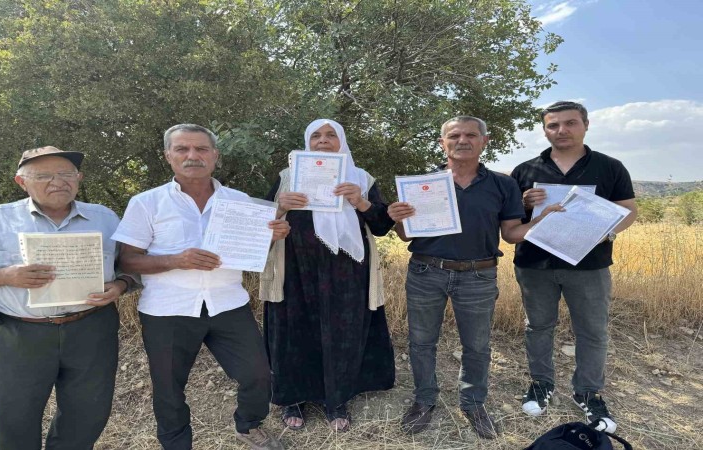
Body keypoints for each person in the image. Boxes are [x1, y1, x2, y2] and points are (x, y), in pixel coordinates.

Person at [112, 124, 289, 450]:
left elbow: (252, 253)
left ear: (215, 156)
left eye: (201, 149)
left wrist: (272, 237)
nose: (192, 155)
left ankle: (248, 425)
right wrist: (176, 260)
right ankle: (176, 443)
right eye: (182, 149)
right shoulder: (146, 203)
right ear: (168, 156)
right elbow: (127, 260)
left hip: (228, 304)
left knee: (258, 375)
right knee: (168, 387)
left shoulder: (240, 202)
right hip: (168, 309)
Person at [0, 146, 132, 450]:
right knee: (13, 419)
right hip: (19, 333)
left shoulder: (105, 218)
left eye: (66, 173)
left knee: (88, 413)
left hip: (91, 329)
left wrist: (121, 285)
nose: (57, 182)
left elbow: (130, 264)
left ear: (79, 178)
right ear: (22, 182)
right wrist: (2, 275)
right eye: (43, 176)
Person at [388, 116, 562, 439]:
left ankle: (473, 404)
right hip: (426, 271)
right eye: (454, 135)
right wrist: (398, 219)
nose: (462, 140)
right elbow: (405, 235)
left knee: (477, 346)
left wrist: (541, 221)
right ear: (442, 143)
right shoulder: (422, 185)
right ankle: (424, 400)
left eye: (471, 135)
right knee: (421, 342)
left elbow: (511, 234)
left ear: (485, 141)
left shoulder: (503, 185)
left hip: (478, 275)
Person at [260, 119, 396, 432]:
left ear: (341, 141)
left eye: (331, 135)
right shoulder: (287, 176)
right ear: (307, 142)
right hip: (295, 271)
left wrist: (360, 202)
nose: (323, 141)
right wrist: (279, 207)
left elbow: (381, 226)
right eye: (316, 136)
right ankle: (294, 398)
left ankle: (337, 399)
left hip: (347, 274)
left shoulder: (361, 178)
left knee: (342, 333)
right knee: (295, 330)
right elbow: (259, 222)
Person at [510, 101, 637, 433]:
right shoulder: (525, 170)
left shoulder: (610, 167)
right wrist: (523, 202)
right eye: (553, 125)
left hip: (589, 265)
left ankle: (588, 393)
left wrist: (605, 233)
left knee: (592, 331)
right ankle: (541, 384)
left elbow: (628, 210)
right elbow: (511, 220)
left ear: (585, 125)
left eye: (570, 123)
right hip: (534, 264)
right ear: (545, 130)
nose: (561, 130)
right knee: (538, 327)